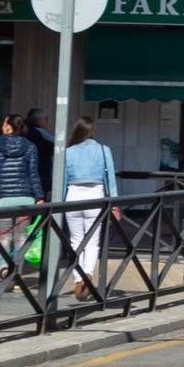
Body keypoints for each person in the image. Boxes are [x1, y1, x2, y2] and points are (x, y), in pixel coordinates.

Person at [58, 118, 119, 300]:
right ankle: (88, 274)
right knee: (92, 241)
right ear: (92, 131)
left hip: (73, 196)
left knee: (76, 240)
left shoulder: (68, 152)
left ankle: (78, 280)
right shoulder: (103, 150)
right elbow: (111, 179)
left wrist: (60, 202)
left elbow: (62, 179)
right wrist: (114, 203)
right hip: (96, 195)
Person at [0, 114, 41, 279]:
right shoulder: (31, 147)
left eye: (4, 123)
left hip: (2, 198)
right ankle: (16, 272)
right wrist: (39, 196)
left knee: (3, 237)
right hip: (25, 199)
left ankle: (4, 269)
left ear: (8, 127)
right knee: (21, 238)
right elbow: (33, 175)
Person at [24, 108, 58, 201]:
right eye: (46, 119)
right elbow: (58, 146)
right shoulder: (40, 132)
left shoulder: (23, 132)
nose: (47, 121)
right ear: (39, 120)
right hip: (40, 172)